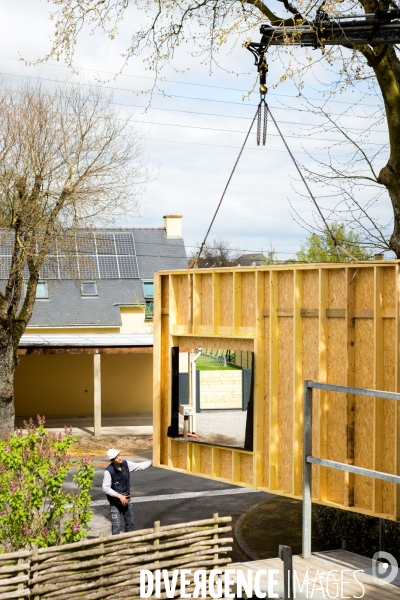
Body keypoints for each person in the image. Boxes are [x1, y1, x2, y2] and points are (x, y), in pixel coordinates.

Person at [102, 448, 152, 535]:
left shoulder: (126, 464)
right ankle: (115, 546)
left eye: (119, 455)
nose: (119, 458)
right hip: (115, 501)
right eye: (116, 457)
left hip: (126, 499)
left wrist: (154, 461)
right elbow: (106, 488)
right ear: (112, 460)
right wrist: (120, 496)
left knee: (130, 523)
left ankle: (128, 543)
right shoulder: (108, 471)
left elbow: (140, 466)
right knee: (116, 525)